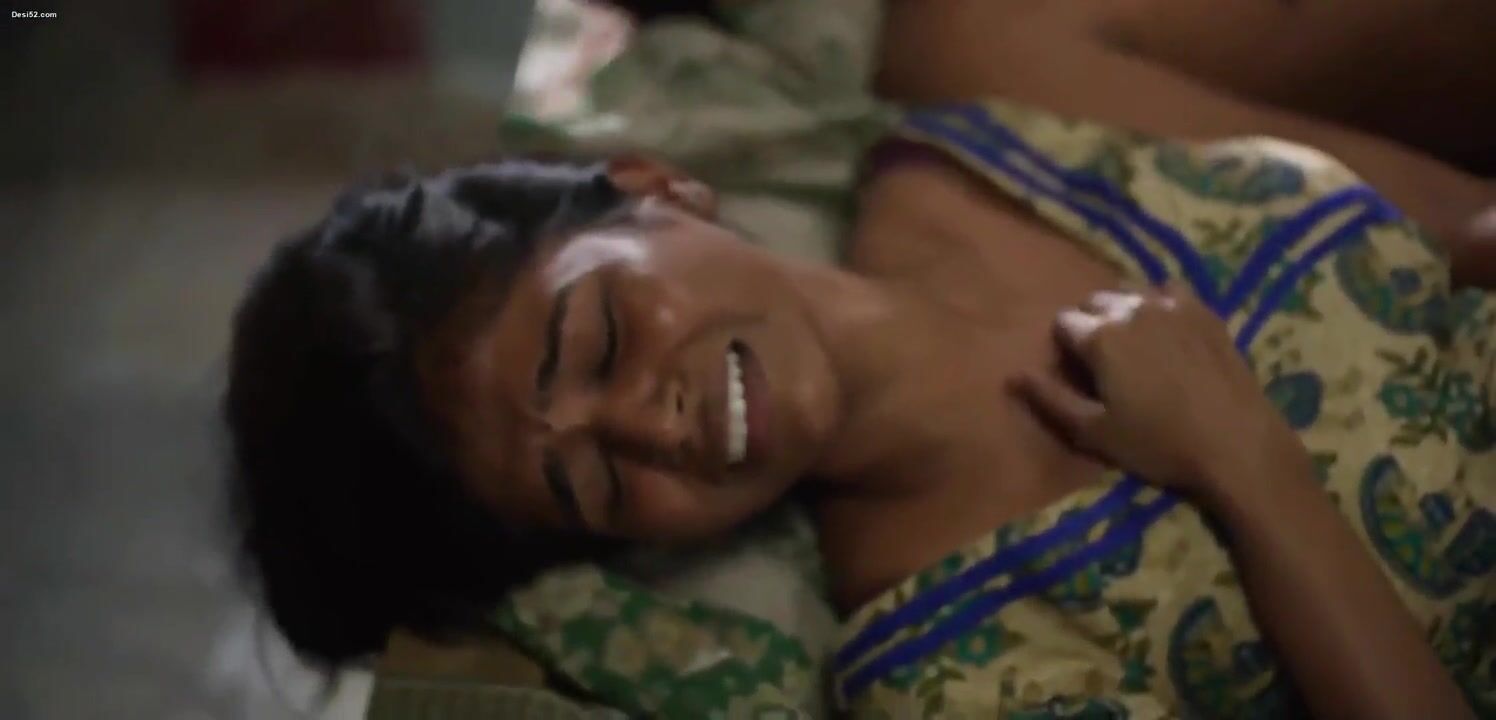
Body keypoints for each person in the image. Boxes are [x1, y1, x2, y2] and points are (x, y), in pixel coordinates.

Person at [225, 3, 1496, 717]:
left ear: (653, 187)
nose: (653, 426)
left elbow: (1459, 228)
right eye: (598, 483)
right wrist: (1243, 466)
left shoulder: (974, 132)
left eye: (601, 337)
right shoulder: (943, 672)